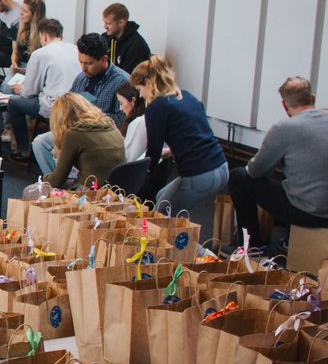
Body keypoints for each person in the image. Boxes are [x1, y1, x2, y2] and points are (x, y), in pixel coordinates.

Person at [228, 76, 328, 246]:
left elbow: (255, 171)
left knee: (238, 177)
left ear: (284, 105)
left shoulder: (284, 128)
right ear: (313, 98)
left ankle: (250, 247)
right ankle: (290, 238)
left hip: (310, 213)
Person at [131, 55, 228, 215]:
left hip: (199, 174)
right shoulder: (187, 96)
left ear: (148, 83)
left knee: (161, 214)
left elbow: (153, 154)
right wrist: (172, 151)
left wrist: (139, 183)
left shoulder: (157, 106)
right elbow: (197, 134)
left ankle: (181, 239)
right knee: (161, 197)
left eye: (140, 89)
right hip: (222, 168)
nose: (140, 95)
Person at [30, 32, 130, 173]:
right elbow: (69, 105)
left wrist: (90, 117)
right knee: (40, 143)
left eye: (89, 63)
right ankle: (60, 183)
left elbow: (122, 120)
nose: (83, 67)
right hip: (75, 131)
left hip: (100, 138)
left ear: (103, 59)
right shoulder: (81, 78)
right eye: (80, 61)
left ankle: (61, 180)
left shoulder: (121, 81)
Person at [6, 18, 80, 162]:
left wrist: (21, 88)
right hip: (78, 103)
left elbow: (29, 91)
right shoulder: (76, 49)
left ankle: (24, 150)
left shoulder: (40, 54)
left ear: (44, 36)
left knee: (13, 103)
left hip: (54, 104)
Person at [41, 93, 126, 190]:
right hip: (116, 189)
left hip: (90, 193)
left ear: (60, 118)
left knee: (34, 190)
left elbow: (57, 181)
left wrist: (43, 179)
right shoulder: (110, 125)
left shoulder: (74, 134)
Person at [103, 2, 151, 75]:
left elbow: (128, 79)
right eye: (104, 23)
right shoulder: (105, 38)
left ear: (121, 23)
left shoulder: (136, 46)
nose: (105, 27)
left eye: (109, 23)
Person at [12, 0, 45, 74]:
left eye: (25, 11)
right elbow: (15, 52)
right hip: (21, 65)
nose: (21, 13)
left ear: (35, 15)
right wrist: (14, 63)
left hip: (37, 69)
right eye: (21, 9)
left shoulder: (44, 31)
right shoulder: (16, 27)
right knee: (6, 86)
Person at [117, 81, 148, 162]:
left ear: (133, 101)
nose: (120, 108)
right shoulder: (146, 117)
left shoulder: (137, 123)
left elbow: (127, 157)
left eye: (121, 103)